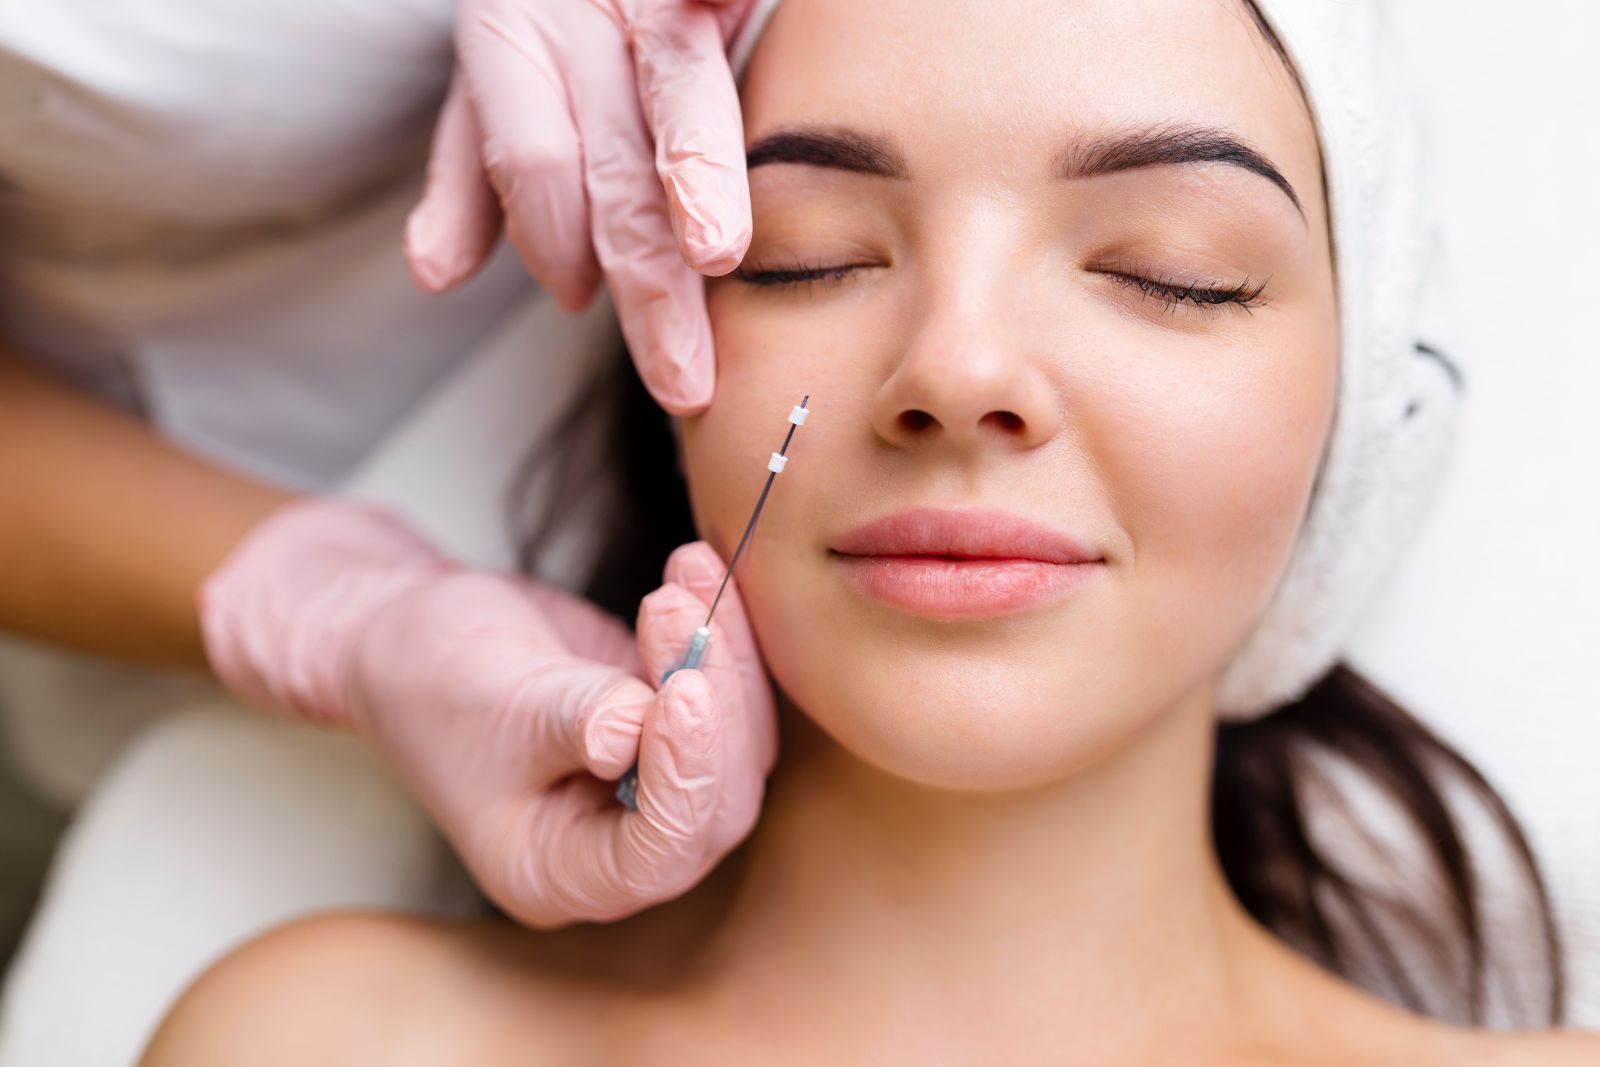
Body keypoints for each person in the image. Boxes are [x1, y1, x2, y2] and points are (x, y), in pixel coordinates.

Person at [138, 0, 1600, 1061]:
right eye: (803, 259)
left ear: (1363, 414)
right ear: (665, 364)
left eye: (1177, 273)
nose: (957, 370)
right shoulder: (326, 1036)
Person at [0, 0, 774, 1061]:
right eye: (823, 257)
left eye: (1098, 265)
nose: (961, 374)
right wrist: (334, 610)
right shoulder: (297, 1020)